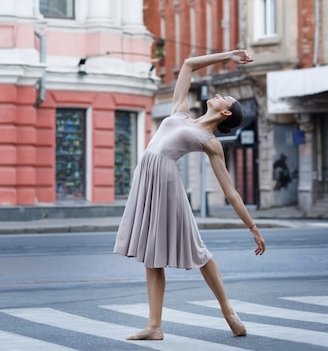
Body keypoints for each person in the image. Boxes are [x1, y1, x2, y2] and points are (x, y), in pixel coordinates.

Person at [114, 50, 266, 341]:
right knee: (151, 254)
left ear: (225, 113)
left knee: (197, 250)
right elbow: (187, 64)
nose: (220, 94)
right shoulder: (181, 111)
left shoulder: (210, 142)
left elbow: (230, 192)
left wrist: (252, 226)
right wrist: (230, 55)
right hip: (147, 181)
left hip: (167, 184)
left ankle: (227, 310)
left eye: (225, 99)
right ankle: (154, 326)